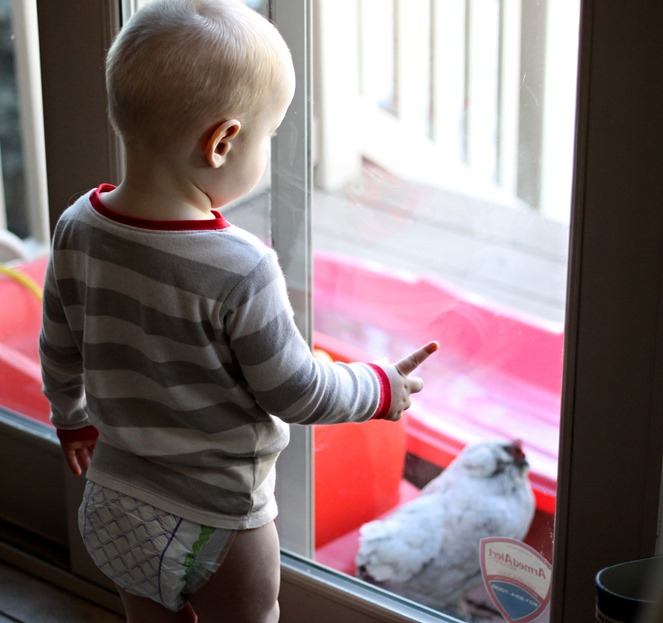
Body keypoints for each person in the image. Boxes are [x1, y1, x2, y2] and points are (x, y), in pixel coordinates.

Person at [39, 1, 438, 621]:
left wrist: (72, 420)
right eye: (269, 135)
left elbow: (59, 348)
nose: (270, 148)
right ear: (223, 141)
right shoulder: (241, 267)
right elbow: (297, 390)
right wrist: (379, 387)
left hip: (116, 501)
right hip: (219, 519)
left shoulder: (78, 225)